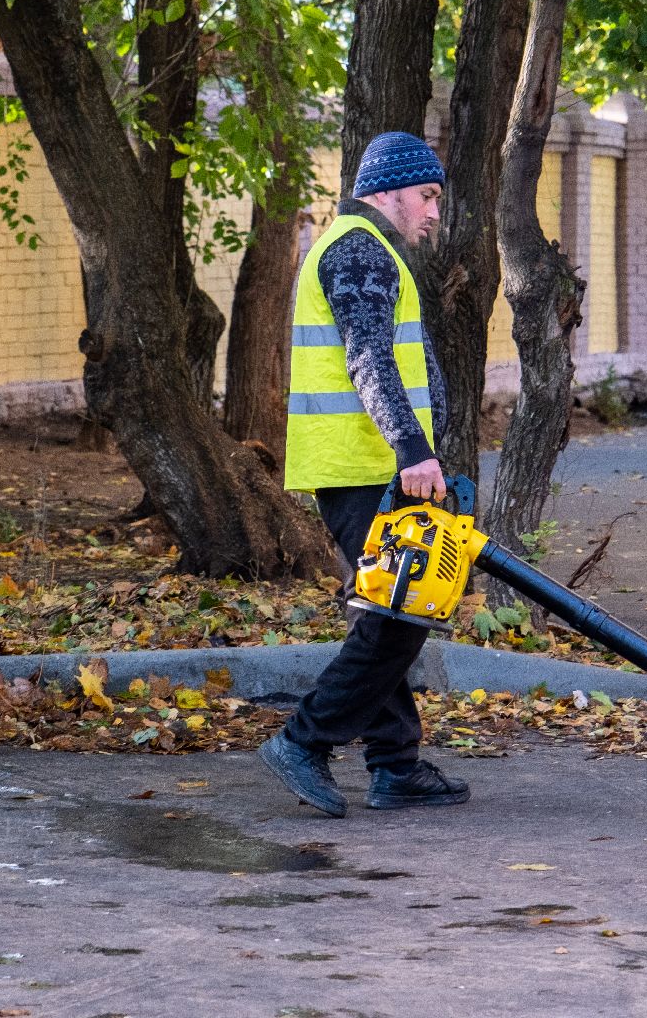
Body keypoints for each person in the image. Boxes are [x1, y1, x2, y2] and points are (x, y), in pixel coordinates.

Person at [258, 131, 470, 818]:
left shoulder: (367, 250)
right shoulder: (358, 251)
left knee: (396, 612)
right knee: (399, 618)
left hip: (370, 463)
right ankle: (302, 740)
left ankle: (395, 765)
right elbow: (368, 359)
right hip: (365, 465)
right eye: (428, 197)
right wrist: (413, 450)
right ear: (388, 191)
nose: (435, 214)